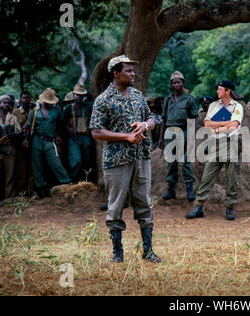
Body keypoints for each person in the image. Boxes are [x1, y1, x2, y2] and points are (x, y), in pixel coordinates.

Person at [90, 55, 161, 263]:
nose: (133, 74)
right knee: (116, 205)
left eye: (133, 70)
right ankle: (117, 253)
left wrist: (145, 125)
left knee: (145, 203)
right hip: (117, 160)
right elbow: (96, 131)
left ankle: (148, 251)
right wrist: (126, 137)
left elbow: (152, 118)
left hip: (141, 157)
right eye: (129, 71)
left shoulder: (138, 95)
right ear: (116, 73)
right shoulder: (104, 100)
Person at [186, 80, 244, 221]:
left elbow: (234, 126)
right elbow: (207, 124)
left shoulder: (237, 106)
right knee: (207, 177)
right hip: (215, 143)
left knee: (231, 178)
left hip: (232, 143)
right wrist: (224, 124)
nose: (217, 91)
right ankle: (199, 207)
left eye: (220, 89)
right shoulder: (213, 105)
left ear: (227, 91)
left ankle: (229, 208)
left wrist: (216, 127)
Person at [22, 88, 71, 199]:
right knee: (37, 165)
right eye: (46, 102)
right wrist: (26, 139)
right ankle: (41, 189)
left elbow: (59, 124)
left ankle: (67, 184)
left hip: (50, 140)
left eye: (50, 102)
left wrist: (57, 136)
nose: (48, 104)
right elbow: (29, 127)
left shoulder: (57, 110)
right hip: (37, 140)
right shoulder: (34, 111)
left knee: (56, 163)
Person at [158, 71, 198, 202]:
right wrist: (161, 138)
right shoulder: (168, 100)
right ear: (172, 84)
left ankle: (190, 190)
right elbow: (163, 119)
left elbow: (193, 119)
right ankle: (171, 190)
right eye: (174, 82)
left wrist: (192, 138)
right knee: (171, 162)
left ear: (183, 83)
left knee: (186, 162)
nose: (176, 84)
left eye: (179, 82)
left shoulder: (189, 99)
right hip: (170, 133)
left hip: (184, 132)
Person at [62, 84, 93, 183]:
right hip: (74, 138)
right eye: (77, 95)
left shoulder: (89, 106)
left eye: (81, 95)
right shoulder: (68, 108)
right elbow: (63, 123)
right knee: (76, 161)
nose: (79, 97)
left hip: (86, 136)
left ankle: (84, 181)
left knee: (86, 160)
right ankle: (74, 181)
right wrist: (69, 129)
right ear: (74, 95)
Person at [0, 95, 21, 205]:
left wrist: (15, 136)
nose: (6, 104)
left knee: (10, 175)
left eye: (8, 103)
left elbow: (18, 132)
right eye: (4, 102)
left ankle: (9, 198)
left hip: (9, 148)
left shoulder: (13, 118)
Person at [13, 91, 35, 195]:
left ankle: (31, 190)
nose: (26, 100)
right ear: (21, 99)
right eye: (24, 98)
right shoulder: (16, 112)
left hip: (33, 142)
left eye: (28, 98)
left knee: (32, 167)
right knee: (21, 168)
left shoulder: (34, 111)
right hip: (20, 143)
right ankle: (20, 192)